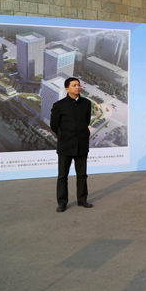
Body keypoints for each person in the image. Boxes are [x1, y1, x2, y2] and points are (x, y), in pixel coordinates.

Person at [51, 77, 92, 212]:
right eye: (74, 85)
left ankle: (82, 199)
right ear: (67, 88)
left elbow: (86, 121)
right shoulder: (59, 105)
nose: (77, 87)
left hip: (81, 144)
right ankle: (62, 202)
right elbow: (54, 125)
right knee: (63, 175)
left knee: (82, 174)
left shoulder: (86, 103)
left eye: (78, 85)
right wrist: (65, 135)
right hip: (65, 145)